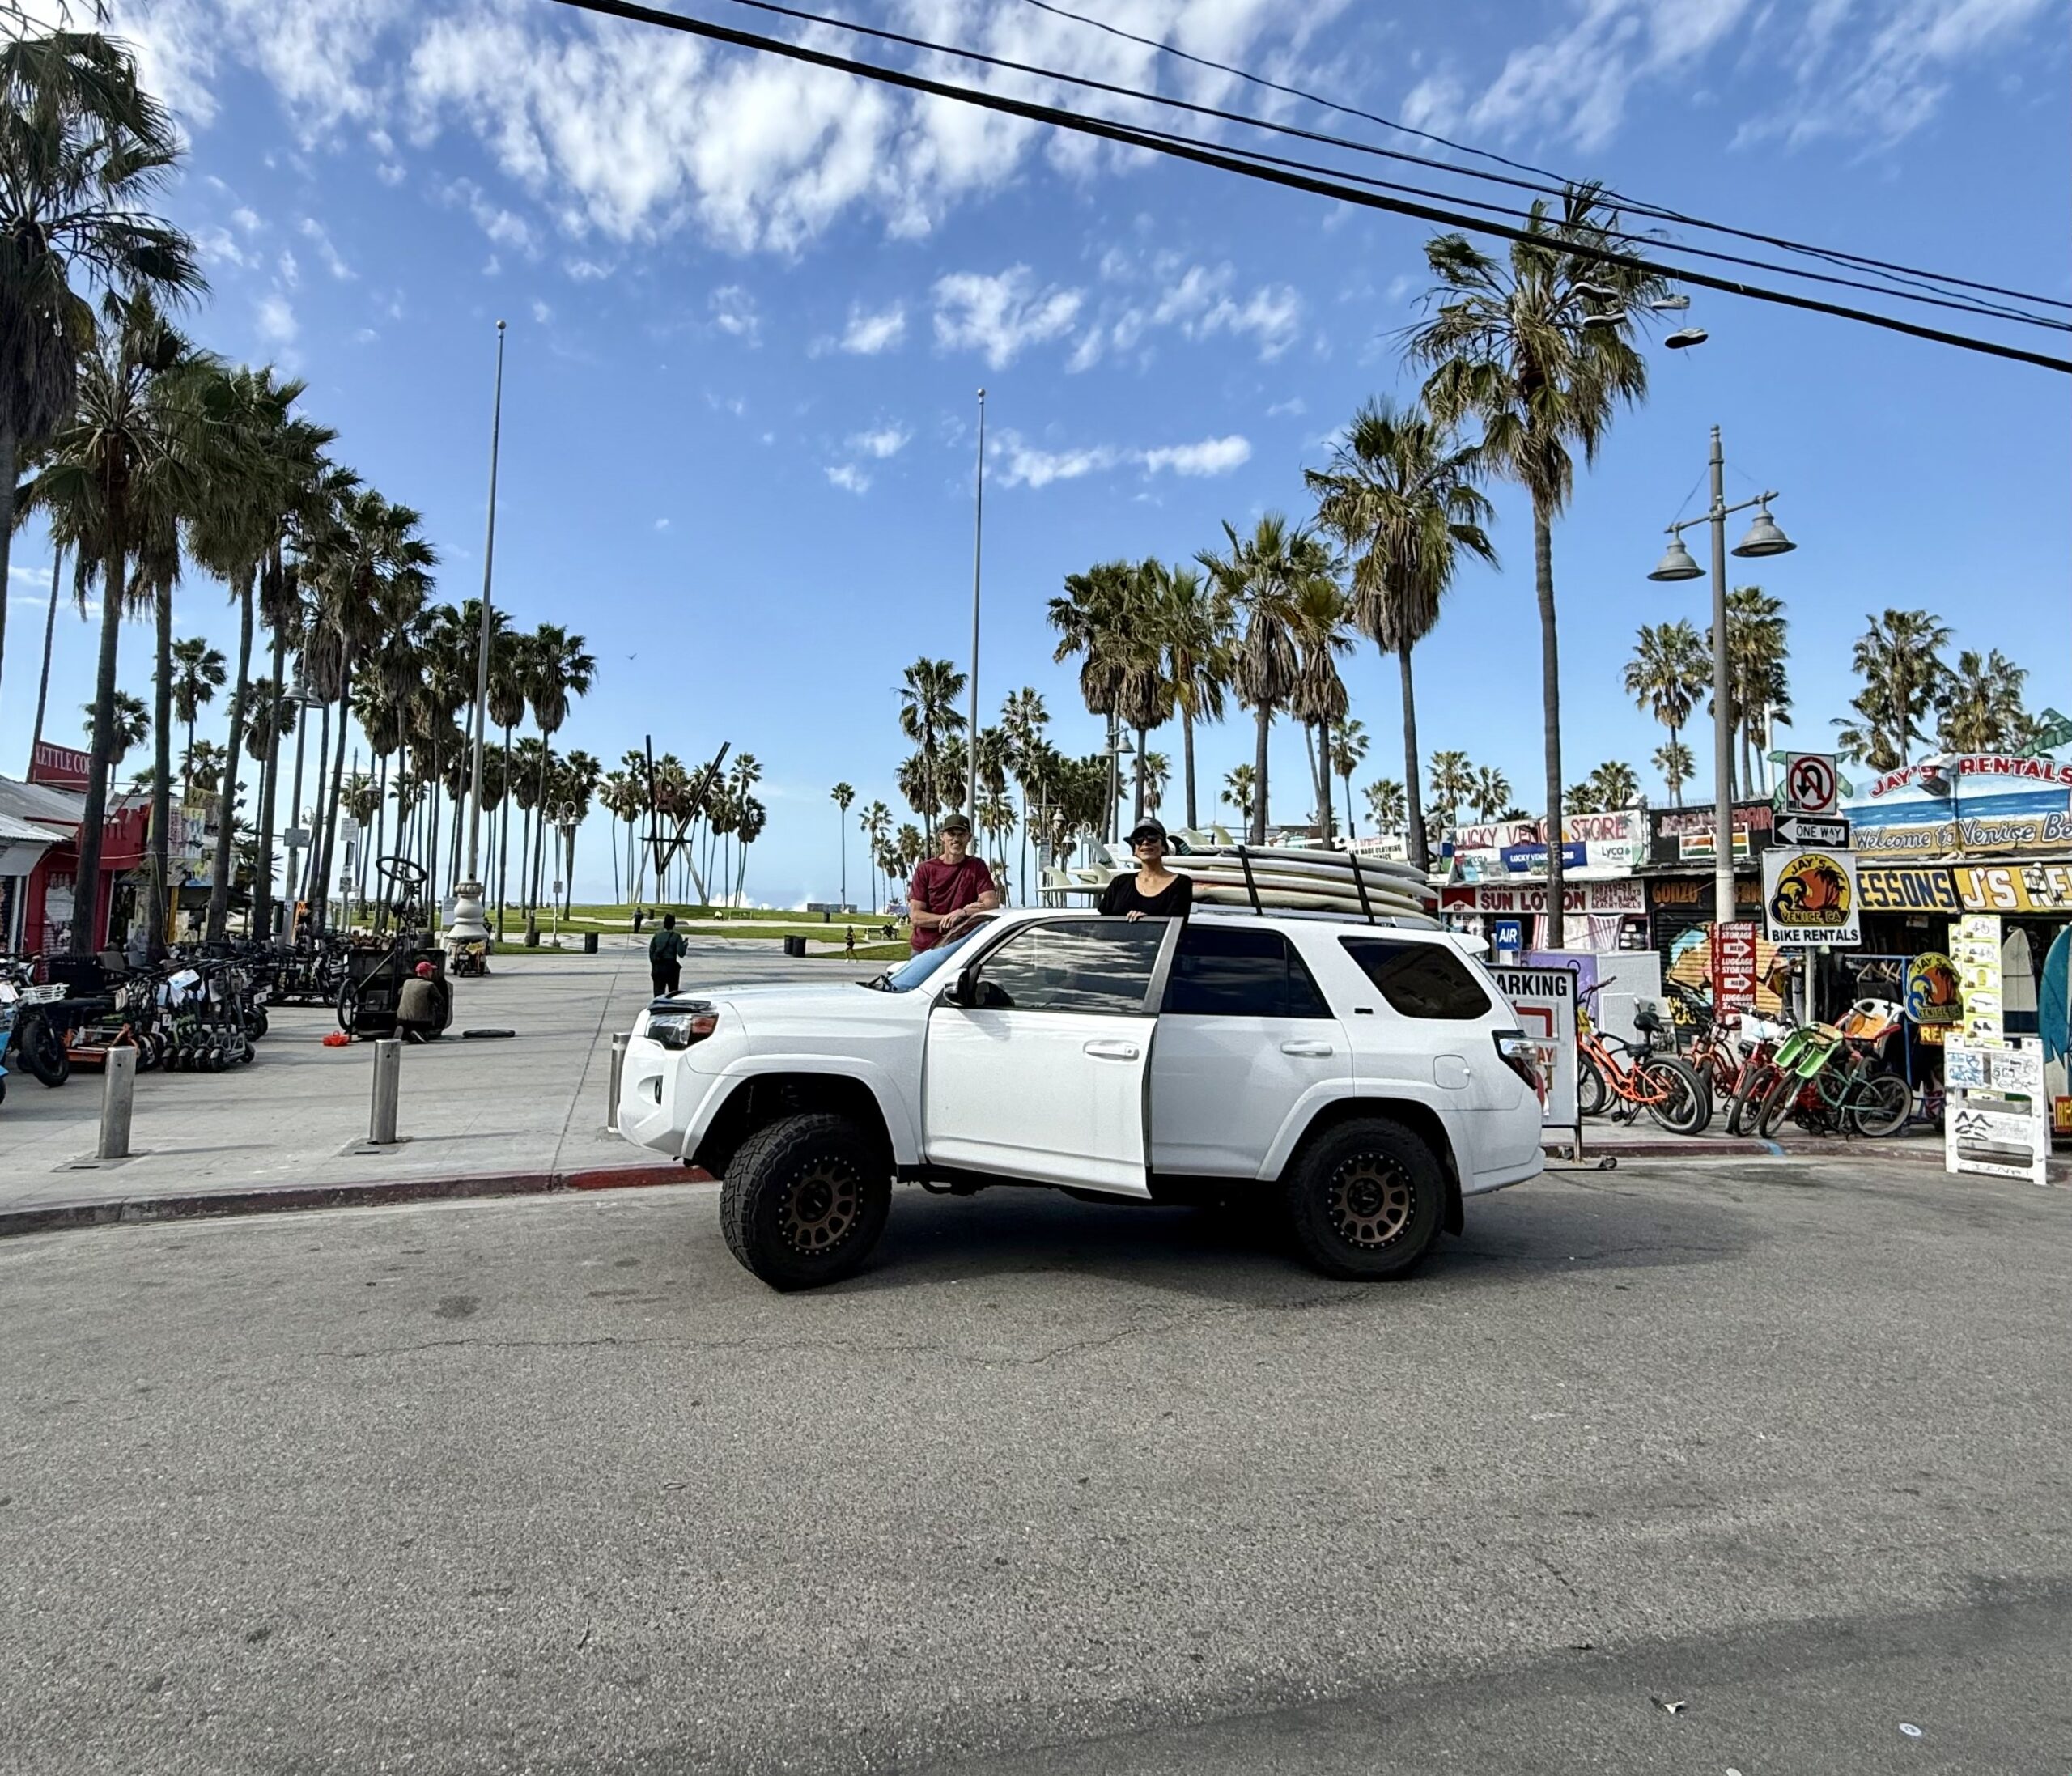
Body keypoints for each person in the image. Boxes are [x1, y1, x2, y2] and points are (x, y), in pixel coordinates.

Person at [906, 814, 1001, 954]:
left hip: (960, 950)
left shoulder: (977, 867)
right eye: (951, 834)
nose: (956, 839)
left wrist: (963, 913)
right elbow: (916, 917)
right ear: (942, 837)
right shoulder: (925, 869)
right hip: (925, 950)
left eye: (961, 834)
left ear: (969, 838)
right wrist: (949, 919)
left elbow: (992, 904)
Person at [1100, 819, 1193, 921]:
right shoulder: (1119, 883)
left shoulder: (1181, 884)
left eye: (1152, 837)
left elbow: (1176, 925)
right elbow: (1101, 924)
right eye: (1139, 838)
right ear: (1135, 850)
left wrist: (1146, 922)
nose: (1145, 842)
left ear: (1164, 847)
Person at [395, 960, 450, 1044]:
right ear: (427, 973)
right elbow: (441, 1001)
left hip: (401, 1018)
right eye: (431, 971)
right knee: (433, 1006)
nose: (432, 973)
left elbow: (399, 993)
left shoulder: (407, 983)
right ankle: (422, 1033)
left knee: (406, 1017)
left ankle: (404, 1030)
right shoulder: (429, 985)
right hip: (420, 1021)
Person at [649, 911, 687, 996]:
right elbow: (681, 954)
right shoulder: (676, 936)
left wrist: (654, 966)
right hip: (671, 967)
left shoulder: (657, 936)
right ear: (673, 924)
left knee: (658, 994)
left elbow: (651, 952)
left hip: (659, 967)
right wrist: (685, 946)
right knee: (673, 994)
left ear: (664, 924)